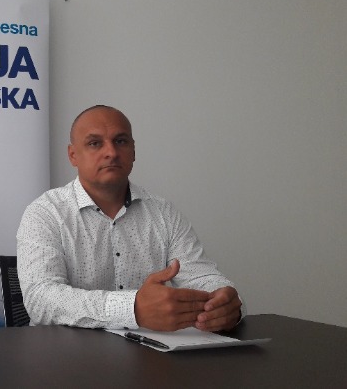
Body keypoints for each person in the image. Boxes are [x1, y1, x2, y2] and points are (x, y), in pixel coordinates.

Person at [16, 105, 243, 332]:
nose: (111, 152)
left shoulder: (164, 213)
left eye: (121, 141)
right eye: (95, 143)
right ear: (73, 155)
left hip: (149, 351)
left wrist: (223, 299)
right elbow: (40, 299)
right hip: (67, 351)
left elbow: (199, 276)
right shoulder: (45, 213)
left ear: (133, 151)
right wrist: (131, 309)